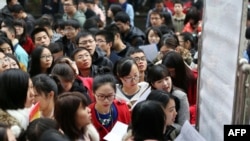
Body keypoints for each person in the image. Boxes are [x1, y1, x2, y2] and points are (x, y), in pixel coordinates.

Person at [89, 74, 131, 141]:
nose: (106, 100)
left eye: (110, 96)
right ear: (93, 93)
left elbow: (129, 132)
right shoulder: (88, 113)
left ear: (115, 93)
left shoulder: (122, 108)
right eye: (101, 96)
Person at [162, 51, 197, 124]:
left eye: (173, 72)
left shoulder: (192, 79)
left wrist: (184, 108)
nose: (171, 75)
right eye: (168, 72)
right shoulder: (164, 79)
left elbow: (196, 104)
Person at [0, 69, 35, 140]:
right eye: (26, 89)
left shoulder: (29, 110)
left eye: (31, 87)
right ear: (14, 93)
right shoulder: (8, 132)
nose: (33, 93)